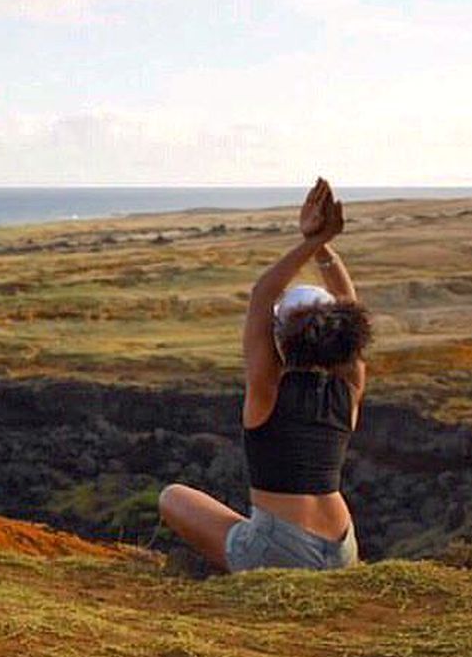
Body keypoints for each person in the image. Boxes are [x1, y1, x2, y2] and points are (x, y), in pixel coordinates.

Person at [158, 178, 372, 572]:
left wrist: (311, 239)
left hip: (281, 548)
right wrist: (322, 247)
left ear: (280, 338)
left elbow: (262, 294)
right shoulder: (348, 391)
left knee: (173, 496)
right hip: (343, 548)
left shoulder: (267, 390)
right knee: (242, 520)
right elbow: (349, 309)